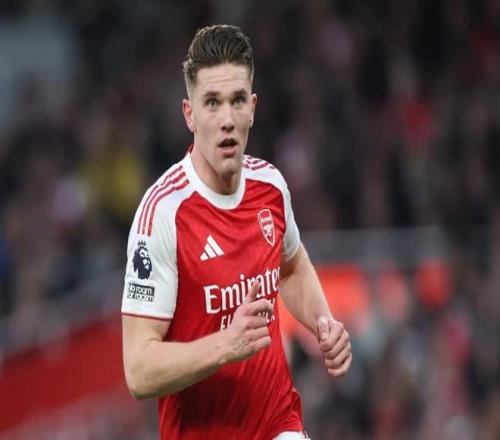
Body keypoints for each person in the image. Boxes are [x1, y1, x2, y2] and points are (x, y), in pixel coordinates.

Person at [121, 24, 352, 440]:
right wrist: (226, 345)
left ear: (253, 108)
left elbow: (292, 266)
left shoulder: (270, 186)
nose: (226, 120)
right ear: (189, 114)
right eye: (212, 103)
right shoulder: (163, 215)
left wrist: (323, 322)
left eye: (237, 101)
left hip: (279, 424)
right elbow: (138, 370)